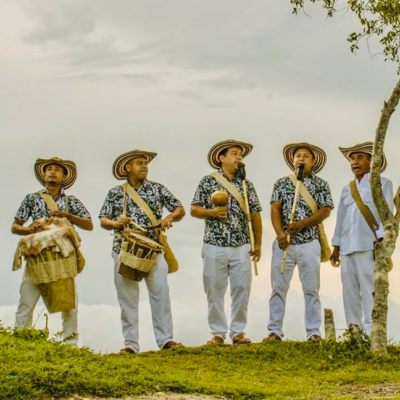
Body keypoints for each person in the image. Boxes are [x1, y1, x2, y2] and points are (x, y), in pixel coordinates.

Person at [99, 149, 185, 354]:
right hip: (124, 249)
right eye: (139, 163)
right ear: (127, 167)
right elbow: (103, 220)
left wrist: (168, 219)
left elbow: (179, 208)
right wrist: (115, 222)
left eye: (145, 163)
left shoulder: (158, 189)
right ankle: (130, 344)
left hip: (154, 248)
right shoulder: (115, 192)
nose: (144, 166)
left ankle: (165, 340)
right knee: (127, 296)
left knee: (161, 292)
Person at [12, 157, 93, 346]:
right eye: (49, 169)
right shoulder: (31, 199)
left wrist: (66, 215)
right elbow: (15, 226)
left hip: (62, 254)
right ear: (43, 174)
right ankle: (20, 341)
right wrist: (28, 230)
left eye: (57, 169)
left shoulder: (71, 201)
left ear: (64, 176)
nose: (52, 172)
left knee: (69, 303)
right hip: (38, 254)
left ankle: (70, 344)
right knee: (27, 297)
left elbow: (88, 224)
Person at [191, 139, 262, 345]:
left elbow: (255, 215)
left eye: (241, 154)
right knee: (214, 289)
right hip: (214, 243)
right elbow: (194, 209)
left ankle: (238, 332)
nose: (239, 157)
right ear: (221, 158)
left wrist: (257, 244)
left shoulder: (246, 185)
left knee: (241, 289)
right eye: (234, 153)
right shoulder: (207, 181)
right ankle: (218, 333)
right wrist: (212, 212)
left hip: (241, 244)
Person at [264, 143, 333, 342]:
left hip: (309, 242)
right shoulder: (282, 183)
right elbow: (275, 209)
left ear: (313, 161)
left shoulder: (321, 184)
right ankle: (274, 331)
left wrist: (302, 224)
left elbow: (325, 210)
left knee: (311, 289)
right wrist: (280, 234)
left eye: (305, 156)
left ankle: (313, 332)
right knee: (278, 288)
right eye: (298, 156)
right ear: (293, 160)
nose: (301, 158)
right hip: (284, 243)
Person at [331, 142, 394, 335]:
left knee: (369, 290)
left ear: (371, 161)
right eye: (352, 158)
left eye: (359, 158)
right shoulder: (346, 189)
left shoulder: (383, 183)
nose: (354, 162)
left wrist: (384, 243)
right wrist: (336, 247)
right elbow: (341, 218)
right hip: (347, 247)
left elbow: (387, 214)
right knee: (349, 291)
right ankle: (354, 331)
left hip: (369, 245)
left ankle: (370, 332)